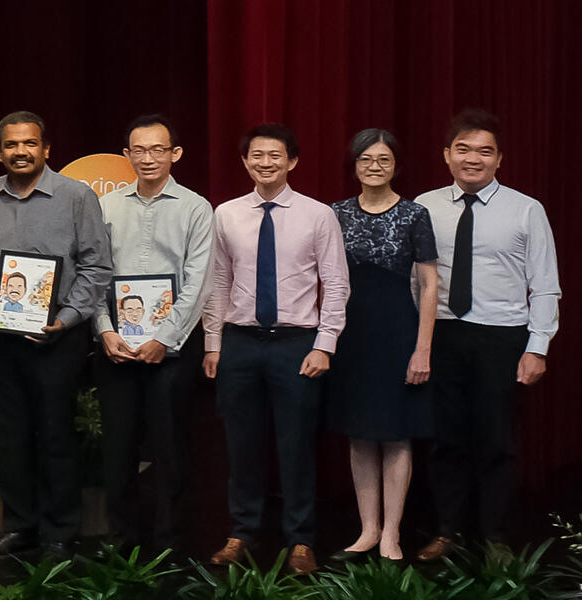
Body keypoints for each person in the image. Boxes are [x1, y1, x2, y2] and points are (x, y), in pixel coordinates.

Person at [0, 112, 111, 562]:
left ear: (47, 149)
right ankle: (19, 527)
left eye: (30, 143)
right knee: (11, 437)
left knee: (55, 436)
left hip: (57, 337)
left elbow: (96, 265)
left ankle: (60, 532)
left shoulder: (76, 196)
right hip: (2, 339)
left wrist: (66, 319)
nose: (20, 151)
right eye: (11, 145)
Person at [201, 124, 349, 573]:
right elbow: (219, 282)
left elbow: (337, 283)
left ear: (293, 161)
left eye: (275, 156)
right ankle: (241, 532)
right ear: (245, 162)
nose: (266, 163)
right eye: (257, 156)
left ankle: (300, 539)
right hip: (240, 343)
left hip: (297, 344)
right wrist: (213, 343)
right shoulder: (226, 214)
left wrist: (325, 344)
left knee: (296, 445)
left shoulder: (318, 215)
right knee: (242, 444)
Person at [416, 109, 555, 560]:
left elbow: (545, 282)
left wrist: (538, 347)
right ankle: (448, 531)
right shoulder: (425, 206)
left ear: (499, 160)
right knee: (446, 439)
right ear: (446, 155)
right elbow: (413, 279)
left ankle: (494, 536)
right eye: (463, 149)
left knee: (497, 440)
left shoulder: (526, 209)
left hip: (501, 337)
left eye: (484, 151)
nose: (472, 158)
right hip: (444, 335)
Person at [91, 115, 215, 556]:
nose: (147, 158)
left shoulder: (196, 208)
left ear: (174, 154)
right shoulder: (106, 206)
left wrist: (164, 337)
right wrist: (104, 331)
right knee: (118, 447)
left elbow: (200, 280)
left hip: (173, 350)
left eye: (157, 150)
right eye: (138, 150)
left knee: (171, 449)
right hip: (116, 348)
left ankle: (169, 542)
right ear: (126, 156)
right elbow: (95, 275)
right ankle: (123, 539)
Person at [324, 128, 437, 563]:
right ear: (354, 165)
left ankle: (392, 533)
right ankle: (367, 529)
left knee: (396, 434)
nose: (374, 166)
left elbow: (429, 284)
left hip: (398, 332)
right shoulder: (335, 213)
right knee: (359, 433)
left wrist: (423, 347)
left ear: (396, 165)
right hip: (351, 334)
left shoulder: (414, 214)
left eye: (383, 159)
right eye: (366, 159)